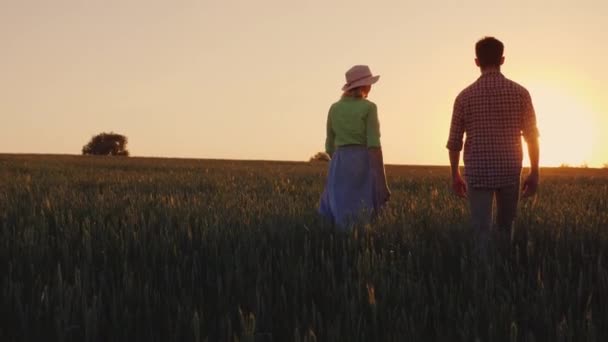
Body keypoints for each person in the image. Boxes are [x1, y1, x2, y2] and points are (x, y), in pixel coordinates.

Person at [446, 37, 540, 247]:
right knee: (507, 229)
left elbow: (454, 142)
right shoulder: (521, 93)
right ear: (503, 59)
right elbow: (531, 136)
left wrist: (455, 175)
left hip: (478, 171)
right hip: (510, 169)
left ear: (477, 62)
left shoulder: (464, 97)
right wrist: (534, 171)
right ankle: (505, 274)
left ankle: (483, 275)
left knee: (481, 233)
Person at [319, 65, 390, 230]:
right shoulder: (369, 107)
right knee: (363, 211)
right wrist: (382, 183)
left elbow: (329, 144)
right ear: (364, 85)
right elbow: (374, 145)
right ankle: (360, 247)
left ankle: (339, 246)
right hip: (362, 163)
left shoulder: (334, 108)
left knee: (340, 209)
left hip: (339, 163)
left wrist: (338, 160)